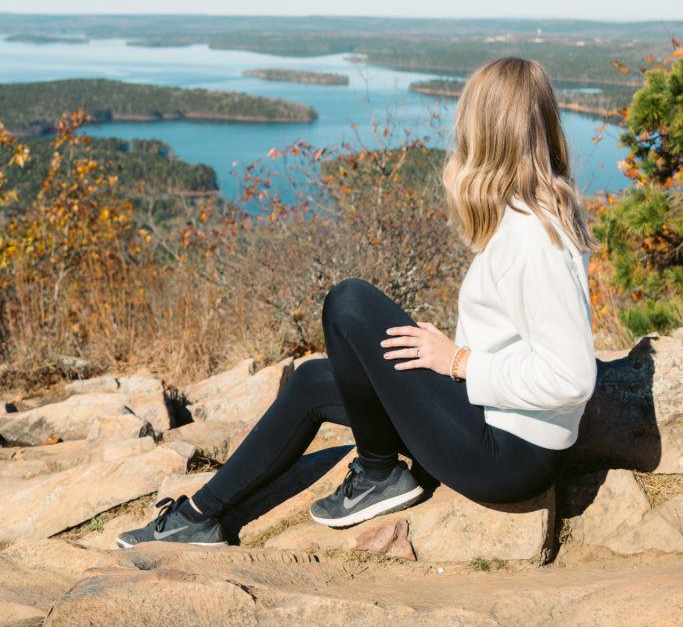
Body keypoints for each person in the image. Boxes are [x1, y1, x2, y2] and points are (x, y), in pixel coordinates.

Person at [117, 56, 599, 548]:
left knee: (349, 302)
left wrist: (457, 362)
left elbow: (573, 376)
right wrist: (450, 355)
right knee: (311, 381)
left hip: (510, 456)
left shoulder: (533, 237)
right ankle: (199, 516)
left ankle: (378, 474)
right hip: (494, 423)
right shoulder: (535, 213)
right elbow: (523, 337)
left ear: (486, 132)